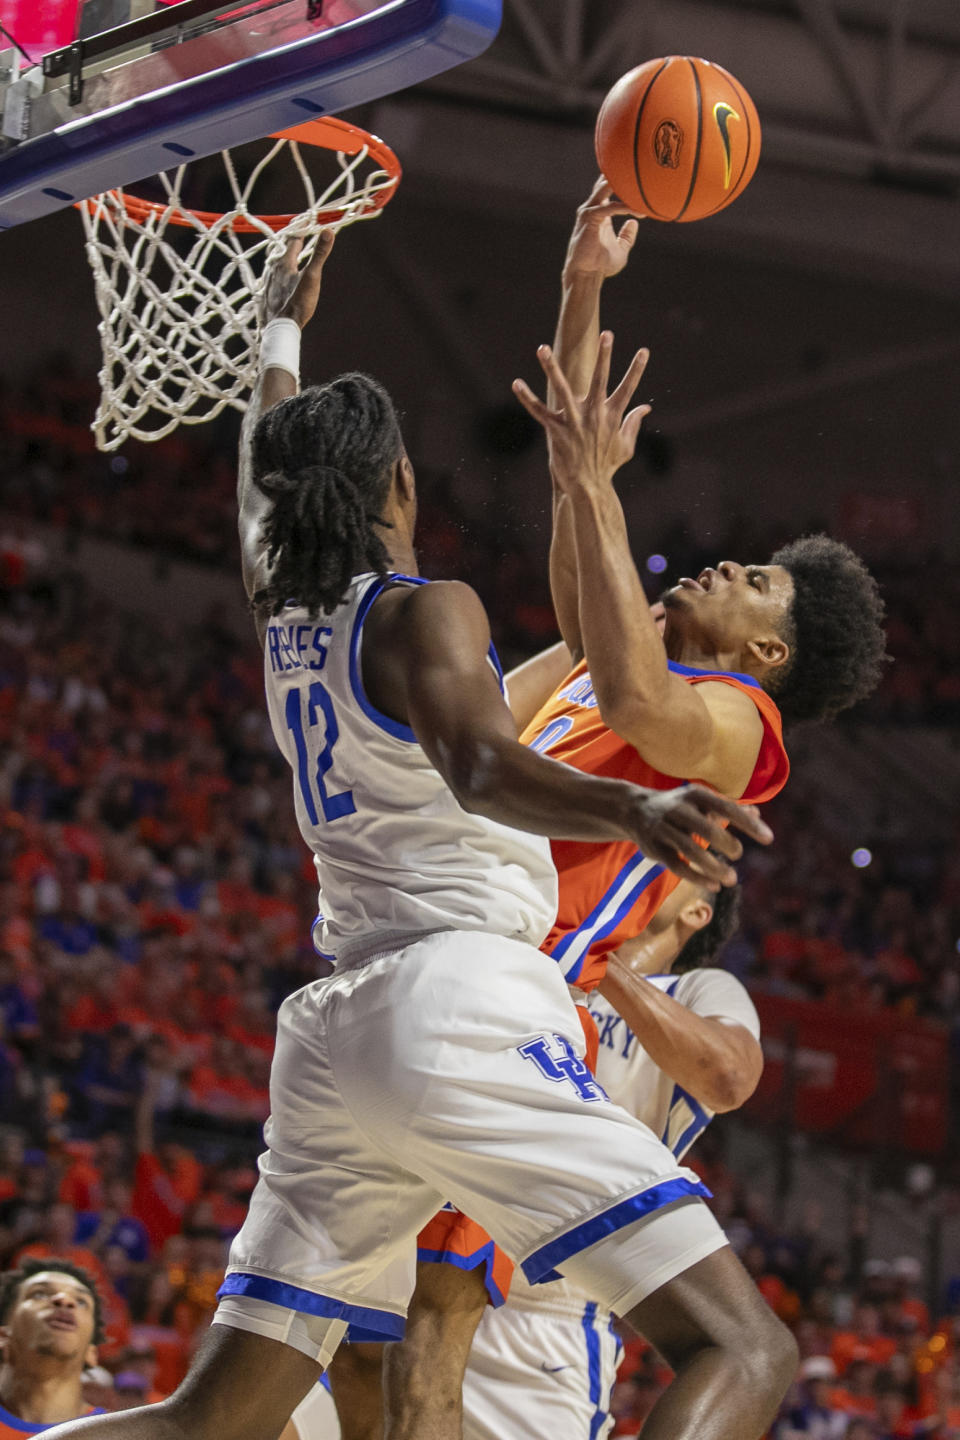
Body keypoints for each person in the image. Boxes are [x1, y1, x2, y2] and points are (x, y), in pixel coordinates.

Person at [43, 230, 776, 1440]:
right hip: (460, 1003)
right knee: (745, 1343)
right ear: (399, 487)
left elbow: (256, 486)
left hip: (339, 1032)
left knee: (202, 1424)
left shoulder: (286, 601)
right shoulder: (427, 607)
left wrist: (279, 337)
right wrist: (631, 810)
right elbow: (483, 766)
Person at [369, 180, 886, 1440]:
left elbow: (645, 699)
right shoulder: (615, 664)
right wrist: (583, 283)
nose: (722, 566)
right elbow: (577, 521)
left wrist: (598, 484)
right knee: (414, 1326)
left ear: (768, 653)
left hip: (495, 1002)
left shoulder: (738, 730)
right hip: (450, 988)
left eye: (753, 580)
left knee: (420, 1322)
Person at [0, 1259, 109, 1434]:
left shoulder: (116, 1435)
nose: (64, 1300)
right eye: (40, 1294)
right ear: (3, 1337)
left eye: (81, 1301)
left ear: (92, 1353)